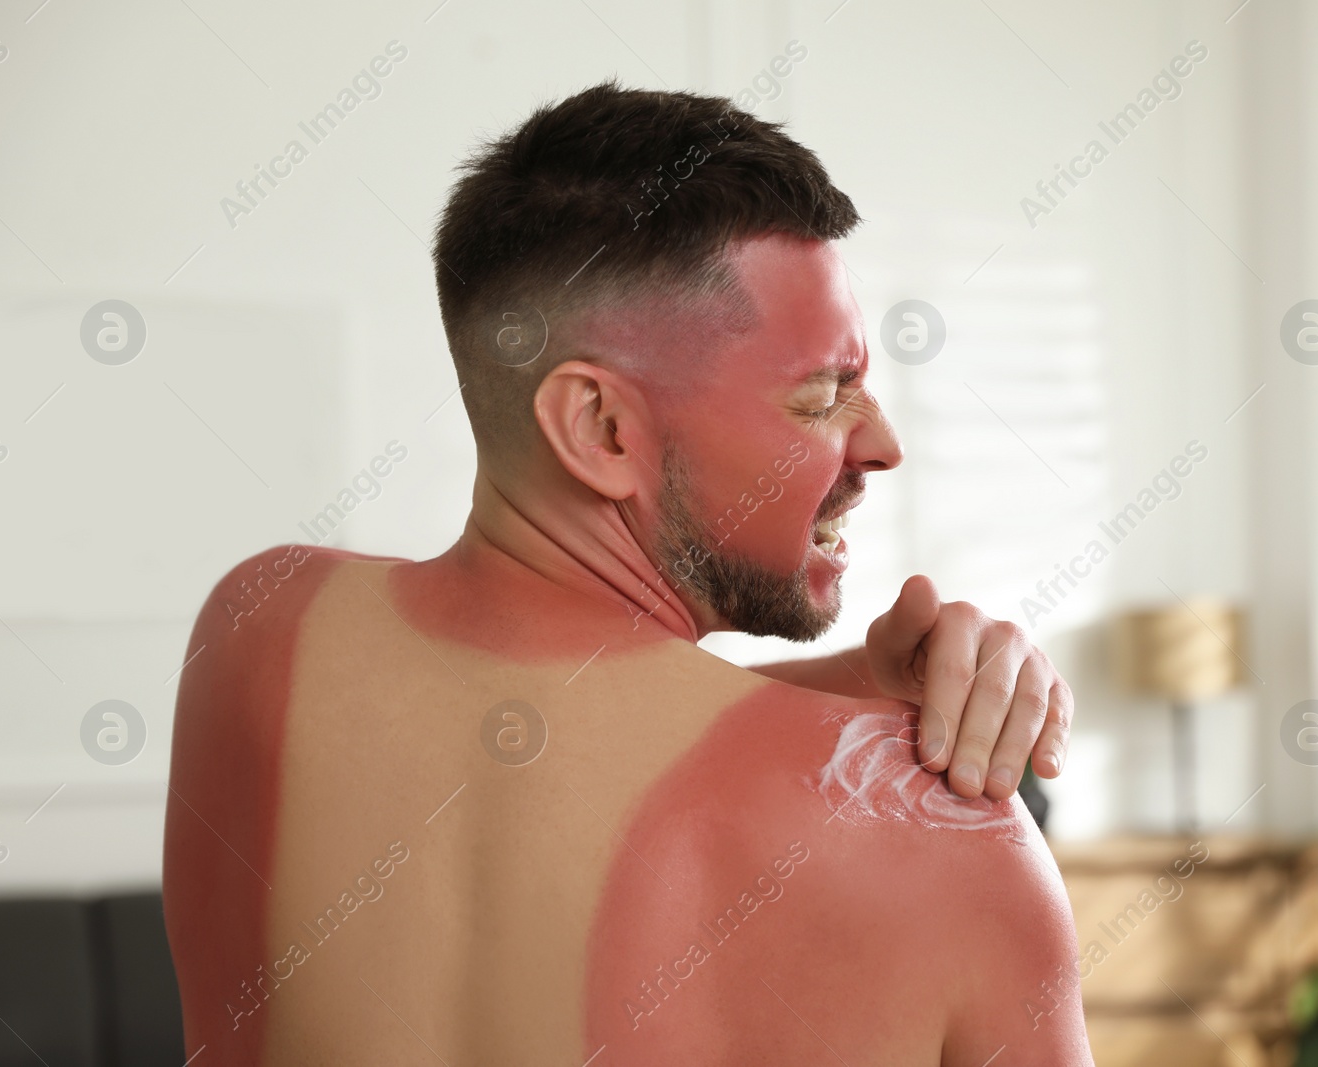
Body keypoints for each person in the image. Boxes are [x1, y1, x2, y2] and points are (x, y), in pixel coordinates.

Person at [164, 81, 1091, 1066]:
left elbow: (534, 738)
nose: (882, 443)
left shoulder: (264, 627)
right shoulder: (942, 838)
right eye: (822, 395)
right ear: (601, 429)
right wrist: (880, 726)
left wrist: (862, 678)